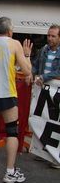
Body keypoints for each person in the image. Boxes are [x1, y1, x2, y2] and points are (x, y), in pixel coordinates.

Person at [0, 17, 32, 183]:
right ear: (9, 31)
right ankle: (10, 172)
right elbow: (27, 70)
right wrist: (27, 55)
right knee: (11, 132)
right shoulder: (13, 43)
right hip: (6, 93)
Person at [31, 24, 60, 169]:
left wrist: (42, 76)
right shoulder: (43, 50)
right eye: (48, 35)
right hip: (44, 90)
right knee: (42, 120)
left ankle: (56, 157)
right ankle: (43, 152)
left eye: (53, 36)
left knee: (56, 122)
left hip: (56, 92)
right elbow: (36, 65)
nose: (49, 38)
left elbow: (58, 71)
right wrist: (33, 74)